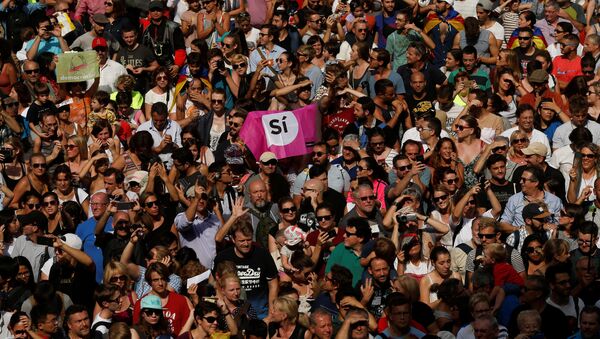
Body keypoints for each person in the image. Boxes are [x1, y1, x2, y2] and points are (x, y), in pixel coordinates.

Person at [213, 219, 278, 319]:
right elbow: (216, 284)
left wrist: (270, 315)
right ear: (233, 240)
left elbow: (273, 284)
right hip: (231, 315)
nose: (246, 244)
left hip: (260, 315)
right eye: (242, 241)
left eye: (249, 239)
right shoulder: (223, 257)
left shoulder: (263, 255)